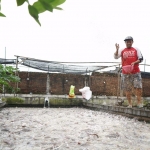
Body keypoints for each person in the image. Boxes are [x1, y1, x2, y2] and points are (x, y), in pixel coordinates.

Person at [114, 36, 143, 108]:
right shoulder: (122, 50)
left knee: (138, 87)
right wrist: (117, 49)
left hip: (136, 72)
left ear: (132, 42)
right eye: (127, 42)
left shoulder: (136, 49)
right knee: (127, 88)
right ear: (125, 43)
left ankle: (139, 103)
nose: (128, 43)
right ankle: (130, 104)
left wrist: (134, 62)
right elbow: (115, 57)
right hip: (125, 72)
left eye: (129, 41)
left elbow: (141, 59)